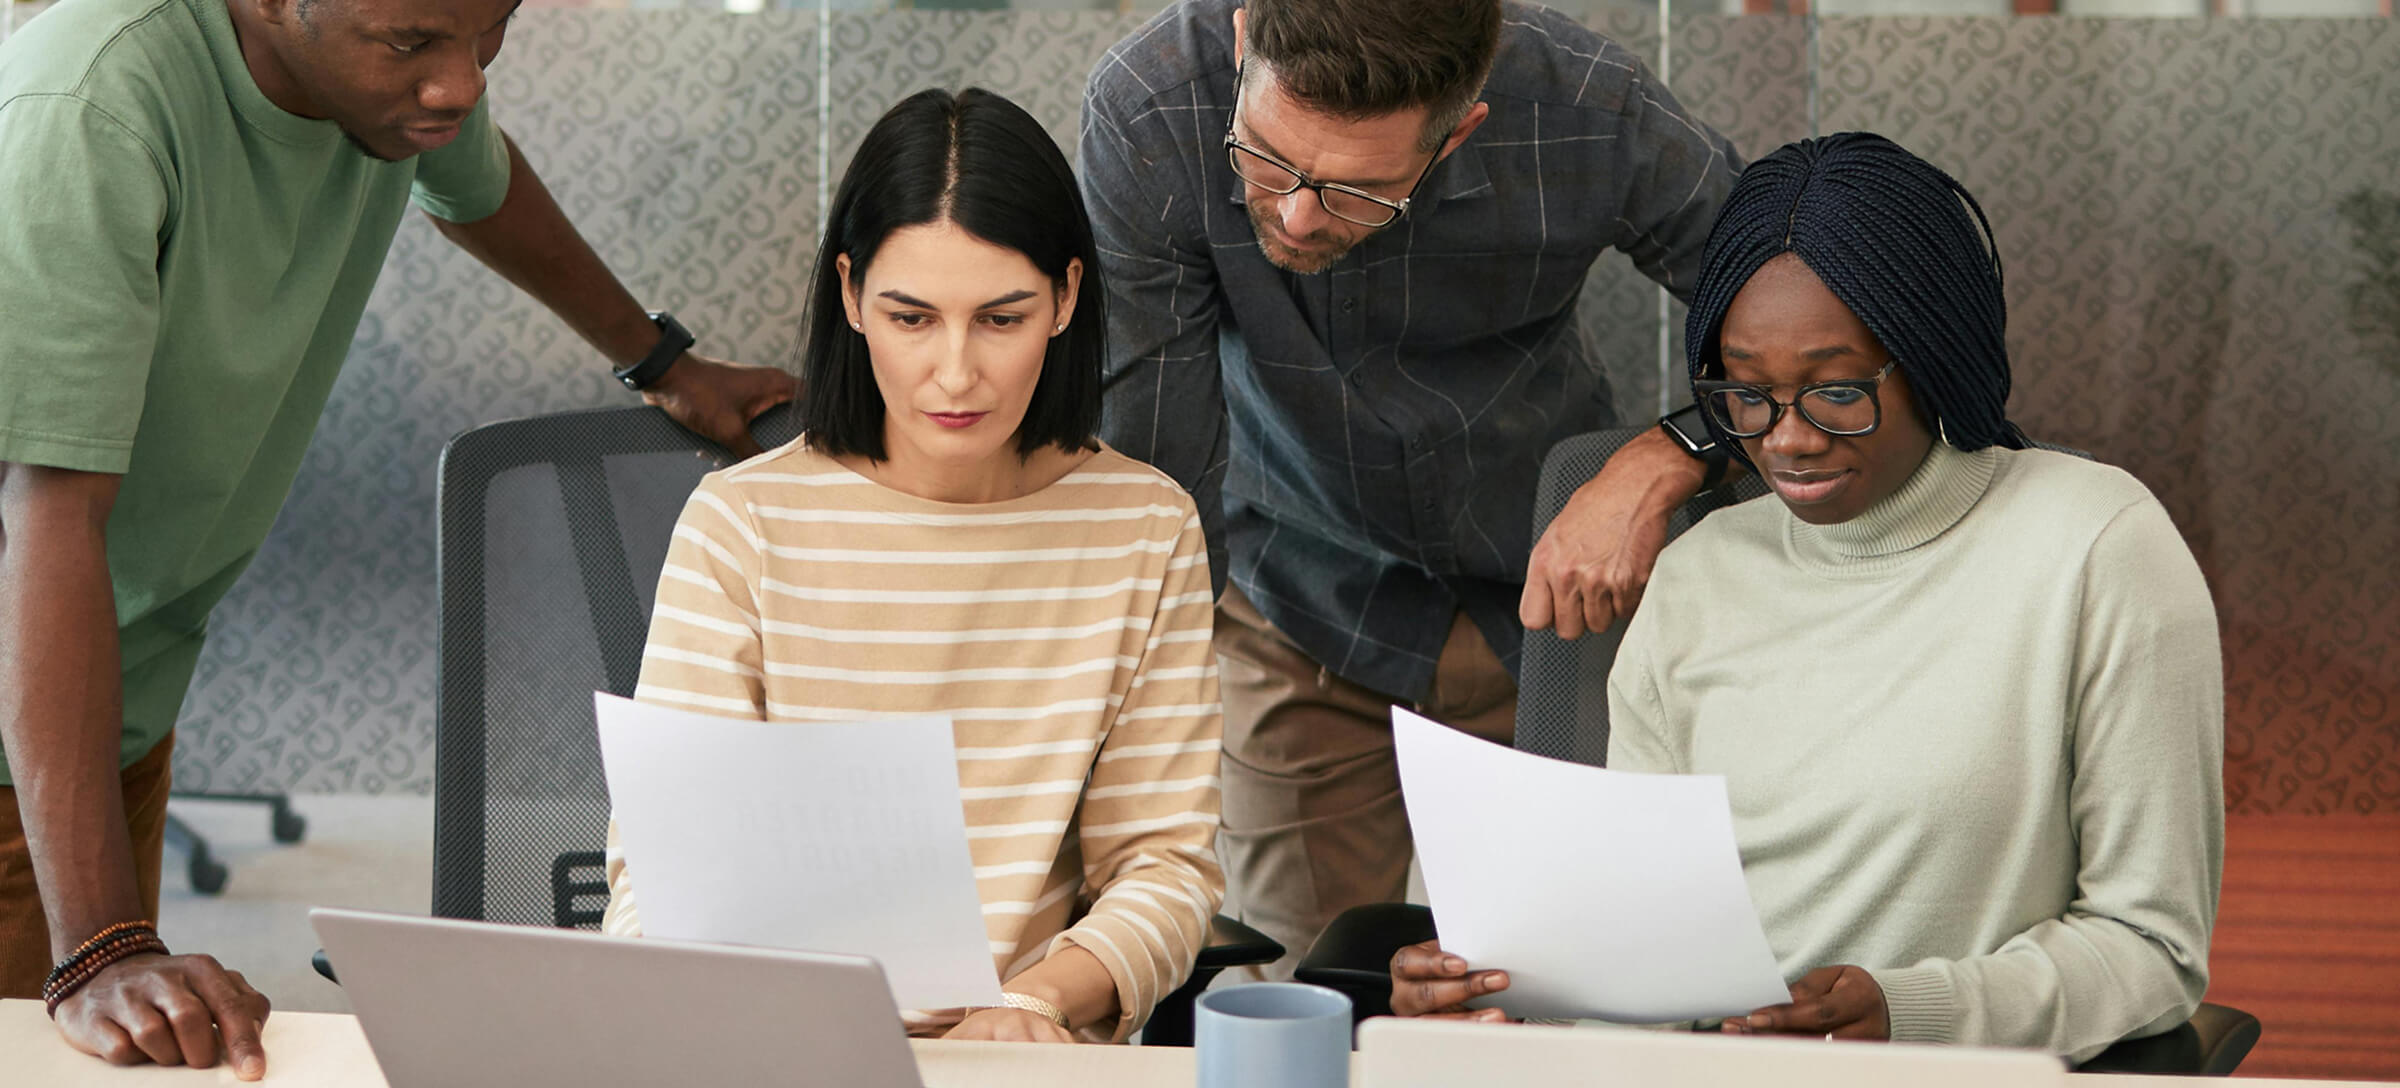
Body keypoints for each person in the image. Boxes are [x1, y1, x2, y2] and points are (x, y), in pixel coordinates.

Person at [0, 0, 798, 1074]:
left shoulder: (393, 78)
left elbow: (481, 184)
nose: (461, 83)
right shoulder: (89, 106)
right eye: (415, 43)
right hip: (30, 700)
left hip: (113, 698)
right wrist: (102, 941)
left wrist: (658, 361)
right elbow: (44, 517)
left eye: (492, 28)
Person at [1387, 133, 2223, 1062]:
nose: (1786, 442)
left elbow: (2152, 948)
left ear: (1933, 354)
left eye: (1834, 392)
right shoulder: (1700, 574)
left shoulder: (2096, 547)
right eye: (1745, 396)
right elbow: (1639, 942)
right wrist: (1498, 988)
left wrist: (1913, 1012)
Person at [1080, 0, 1748, 978]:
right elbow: (1158, 467)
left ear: (1461, 128)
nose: (1300, 214)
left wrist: (1671, 453)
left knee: (1575, 984)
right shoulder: (1153, 108)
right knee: (1313, 992)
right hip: (1296, 599)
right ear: (1240, 38)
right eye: (1266, 159)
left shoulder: (1586, 104)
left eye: (1360, 191)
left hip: (1556, 595)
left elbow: (1810, 306)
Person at [601, 87, 1225, 1046]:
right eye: (912, 317)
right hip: (779, 1043)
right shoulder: (746, 523)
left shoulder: (1142, 528)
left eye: (1002, 319)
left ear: (1065, 298)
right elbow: (665, 866)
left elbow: (1165, 868)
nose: (956, 373)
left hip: (1015, 1051)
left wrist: (1036, 1000)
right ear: (851, 296)